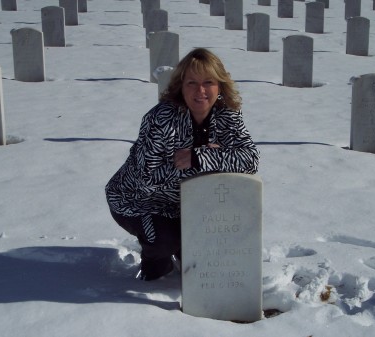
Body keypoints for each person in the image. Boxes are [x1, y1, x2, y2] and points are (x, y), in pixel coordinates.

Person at [105, 48, 260, 281]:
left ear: (220, 86)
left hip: (188, 203)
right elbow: (147, 179)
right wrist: (212, 163)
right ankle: (155, 264)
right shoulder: (161, 118)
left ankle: (179, 247)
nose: (200, 91)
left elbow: (250, 160)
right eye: (192, 83)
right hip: (138, 200)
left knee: (207, 247)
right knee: (162, 241)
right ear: (180, 86)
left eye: (208, 82)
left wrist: (199, 157)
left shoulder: (228, 115)